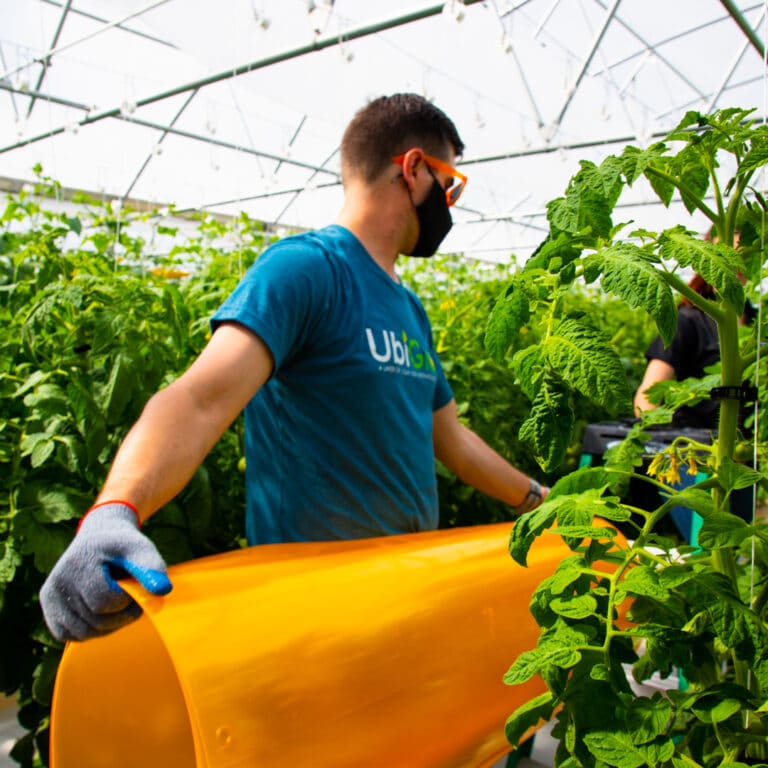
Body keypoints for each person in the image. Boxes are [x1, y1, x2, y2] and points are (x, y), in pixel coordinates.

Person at [40, 93, 548, 642]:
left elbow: (449, 437)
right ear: (415, 168)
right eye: (449, 185)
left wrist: (540, 502)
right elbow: (199, 398)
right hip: (310, 611)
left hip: (402, 592)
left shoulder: (409, 308)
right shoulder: (305, 271)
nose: (449, 204)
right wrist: (115, 509)